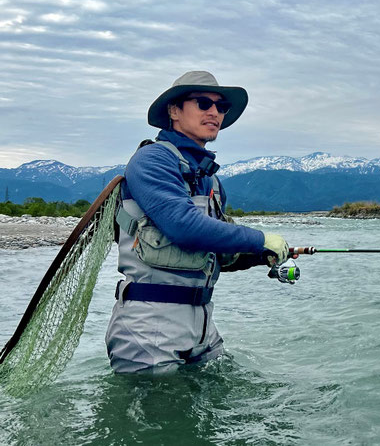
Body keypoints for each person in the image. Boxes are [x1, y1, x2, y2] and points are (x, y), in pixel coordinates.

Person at [105, 70, 292, 374]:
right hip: (149, 326)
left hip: (203, 325)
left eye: (222, 107)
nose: (214, 112)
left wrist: (260, 256)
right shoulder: (153, 160)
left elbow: (214, 253)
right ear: (174, 110)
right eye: (204, 103)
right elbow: (183, 226)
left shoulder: (212, 180)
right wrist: (259, 238)